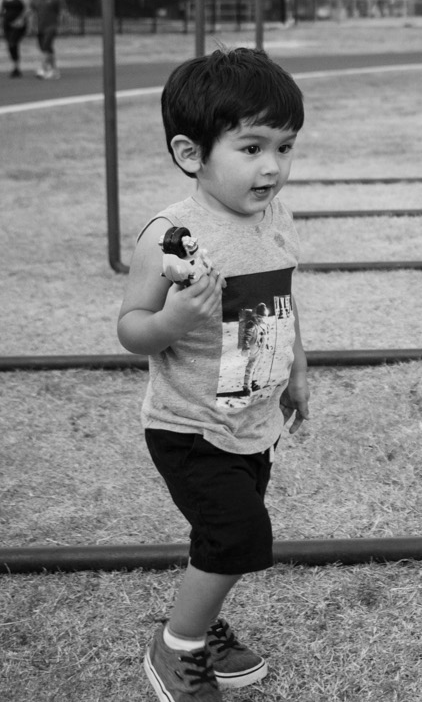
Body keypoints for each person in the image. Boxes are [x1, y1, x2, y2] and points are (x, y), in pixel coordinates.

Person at [118, 48, 309, 699]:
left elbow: (280, 298)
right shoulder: (174, 235)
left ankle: (201, 619)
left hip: (252, 417)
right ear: (190, 152)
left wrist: (297, 371)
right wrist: (171, 321)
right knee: (240, 533)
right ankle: (177, 646)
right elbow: (131, 326)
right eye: (252, 147)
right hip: (189, 425)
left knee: (227, 529)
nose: (273, 167)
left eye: (285, 147)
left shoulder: (272, 215)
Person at [31, 0, 64, 79]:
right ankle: (54, 69)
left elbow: (62, 12)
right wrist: (33, 25)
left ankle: (43, 68)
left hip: (51, 26)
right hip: (40, 26)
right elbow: (32, 12)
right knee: (46, 48)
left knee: (46, 46)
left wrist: (60, 25)